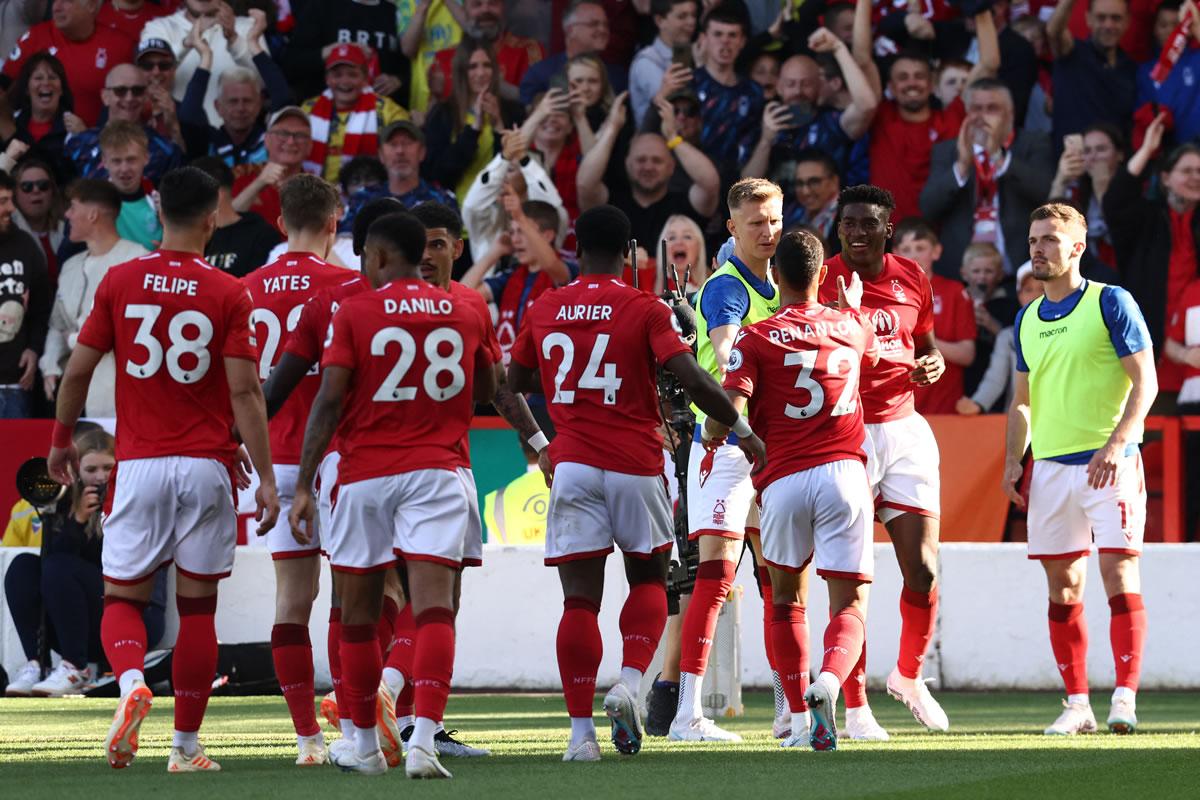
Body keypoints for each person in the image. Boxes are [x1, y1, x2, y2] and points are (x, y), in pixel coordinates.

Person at [507, 203, 766, 761]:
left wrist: (538, 444)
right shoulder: (644, 308)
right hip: (636, 464)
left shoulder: (547, 305)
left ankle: (580, 737)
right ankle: (627, 683)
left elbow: (510, 385)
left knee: (579, 602)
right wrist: (741, 428)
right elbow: (693, 375)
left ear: (576, 249)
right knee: (649, 580)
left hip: (571, 463)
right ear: (630, 254)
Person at [47, 166, 279, 772]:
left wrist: (59, 440)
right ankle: (186, 747)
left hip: (143, 462)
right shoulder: (230, 292)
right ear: (212, 218)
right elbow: (247, 393)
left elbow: (76, 370)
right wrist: (269, 474)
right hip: (206, 467)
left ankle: (129, 685)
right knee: (199, 610)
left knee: (122, 596)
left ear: (157, 215)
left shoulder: (122, 281)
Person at [288, 211, 498, 778]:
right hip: (438, 471)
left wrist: (304, 483)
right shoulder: (469, 306)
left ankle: (362, 747)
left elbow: (328, 401)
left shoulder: (355, 310)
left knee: (356, 618)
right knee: (434, 611)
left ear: (378, 257)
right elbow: (487, 388)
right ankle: (423, 739)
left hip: (365, 475)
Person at [704, 228, 878, 751]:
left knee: (785, 602)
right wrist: (853, 309)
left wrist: (726, 434)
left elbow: (727, 416)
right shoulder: (850, 326)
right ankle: (830, 682)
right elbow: (867, 355)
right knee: (849, 604)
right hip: (845, 475)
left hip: (783, 479)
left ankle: (798, 722)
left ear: (774, 275)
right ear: (823, 275)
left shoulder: (755, 339)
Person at [1003, 202, 1155, 735]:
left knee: (1118, 574)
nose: (1038, 249)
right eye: (1032, 241)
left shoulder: (1111, 302)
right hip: (1048, 469)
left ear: (1077, 247)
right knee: (1062, 587)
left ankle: (1124, 698)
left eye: (1048, 239)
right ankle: (1077, 705)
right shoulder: (1025, 317)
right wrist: (1012, 463)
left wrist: (1117, 444)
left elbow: (1147, 382)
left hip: (1109, 464)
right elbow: (1021, 400)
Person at [818, 184, 948, 740]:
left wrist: (932, 364)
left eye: (869, 222)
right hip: (844, 432)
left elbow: (926, 344)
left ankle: (909, 676)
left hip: (904, 429)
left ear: (887, 226)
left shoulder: (913, 277)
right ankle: (855, 706)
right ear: (839, 227)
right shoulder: (818, 279)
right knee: (853, 575)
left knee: (923, 567)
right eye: (849, 223)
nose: (858, 232)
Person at [241, 174, 356, 768]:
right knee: (354, 596)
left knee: (291, 600)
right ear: (336, 222)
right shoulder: (352, 288)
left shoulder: (245, 289)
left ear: (281, 224)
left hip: (272, 462)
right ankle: (355, 721)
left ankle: (307, 737)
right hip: (337, 458)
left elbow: (236, 382)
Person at [669, 178, 783, 744]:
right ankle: (687, 711)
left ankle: (789, 708)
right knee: (716, 573)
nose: (768, 232)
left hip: (772, 443)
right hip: (724, 445)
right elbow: (731, 351)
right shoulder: (727, 288)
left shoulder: (781, 280)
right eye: (756, 223)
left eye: (774, 221)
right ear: (732, 228)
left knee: (777, 576)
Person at [2, 429, 161, 697]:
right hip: (75, 623)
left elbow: (129, 561)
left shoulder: (136, 498)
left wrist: (105, 515)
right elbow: (48, 565)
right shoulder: (63, 502)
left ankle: (77, 668)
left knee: (60, 567)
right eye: (91, 469)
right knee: (23, 567)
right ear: (77, 472)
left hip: (134, 616)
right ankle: (36, 665)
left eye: (108, 467)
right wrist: (76, 522)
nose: (100, 476)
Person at [1103, 116, 1200, 403]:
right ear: (1166, 178)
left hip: (1192, 349)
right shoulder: (1148, 218)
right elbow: (1116, 202)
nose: (1196, 177)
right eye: (1187, 170)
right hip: (1150, 342)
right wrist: (1146, 149)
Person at [919, 78, 1054, 276]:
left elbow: (1045, 193)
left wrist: (998, 157)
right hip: (960, 272)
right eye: (976, 109)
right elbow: (928, 208)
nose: (982, 116)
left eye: (992, 109)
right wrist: (962, 167)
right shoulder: (948, 151)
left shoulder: (1033, 144)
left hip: (1019, 272)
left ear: (1010, 114)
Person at [39, 179, 148, 415]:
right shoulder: (70, 265)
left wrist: (73, 340)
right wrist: (50, 365)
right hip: (73, 398)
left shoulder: (137, 261)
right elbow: (58, 324)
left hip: (119, 396)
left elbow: (129, 330)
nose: (67, 214)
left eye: (73, 207)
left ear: (93, 215)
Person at [741, 33, 877, 194]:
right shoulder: (759, 123)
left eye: (806, 84)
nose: (798, 91)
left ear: (819, 87)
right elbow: (744, 189)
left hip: (827, 216)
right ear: (779, 86)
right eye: (791, 84)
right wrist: (765, 141)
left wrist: (838, 48)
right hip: (775, 216)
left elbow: (867, 105)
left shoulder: (832, 122)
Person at [576, 101, 719, 248]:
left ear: (671, 167)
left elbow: (710, 183)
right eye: (641, 160)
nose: (648, 167)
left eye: (657, 161)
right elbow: (585, 184)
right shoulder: (610, 206)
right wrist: (612, 129)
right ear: (627, 164)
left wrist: (672, 138)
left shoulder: (686, 206)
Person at [461, 199, 575, 366]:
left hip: (545, 377)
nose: (515, 239)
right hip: (509, 375)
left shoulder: (567, 269)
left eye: (522, 231)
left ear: (548, 236)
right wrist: (494, 252)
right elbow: (462, 296)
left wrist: (519, 215)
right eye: (512, 232)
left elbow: (552, 266)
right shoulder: (510, 276)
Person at [175, 15, 291, 165]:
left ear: (260, 104)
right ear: (218, 107)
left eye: (247, 101)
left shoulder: (272, 140)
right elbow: (188, 116)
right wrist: (205, 58)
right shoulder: (206, 142)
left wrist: (254, 43)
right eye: (233, 101)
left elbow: (283, 98)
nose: (241, 108)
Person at [1, 0, 136, 127]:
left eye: (67, 0)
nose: (56, 7)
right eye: (55, 0)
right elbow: (3, 86)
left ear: (91, 5)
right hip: (39, 143)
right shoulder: (35, 37)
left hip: (98, 143)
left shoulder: (120, 46)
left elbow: (137, 101)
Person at [423, 37, 526, 203]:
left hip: (499, 210)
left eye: (487, 65)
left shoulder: (513, 112)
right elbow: (439, 174)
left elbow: (515, 166)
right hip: (455, 212)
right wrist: (474, 129)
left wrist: (498, 125)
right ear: (461, 71)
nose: (481, 73)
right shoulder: (442, 114)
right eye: (472, 67)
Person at [894, 218, 977, 415]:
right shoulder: (886, 294)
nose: (913, 255)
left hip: (944, 408)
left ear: (936, 251)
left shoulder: (955, 291)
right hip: (899, 410)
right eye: (906, 249)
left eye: (920, 247)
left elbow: (967, 355)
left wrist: (925, 342)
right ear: (895, 255)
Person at [140, 0, 261, 127]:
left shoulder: (247, 26)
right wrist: (185, 44)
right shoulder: (158, 28)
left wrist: (234, 39)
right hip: (178, 137)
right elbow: (149, 80)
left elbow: (263, 84)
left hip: (235, 137)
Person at [300, 44, 410, 184]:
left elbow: (405, 151)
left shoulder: (387, 110)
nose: (344, 82)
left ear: (365, 77)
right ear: (327, 78)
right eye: (337, 75)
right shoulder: (308, 110)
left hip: (367, 196)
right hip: (315, 196)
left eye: (352, 74)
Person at [64, 63, 184, 185]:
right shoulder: (79, 144)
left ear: (145, 96)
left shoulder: (165, 150)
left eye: (137, 91)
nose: (129, 98)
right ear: (105, 96)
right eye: (120, 91)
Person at [958, 261, 1042, 414]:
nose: (1035, 296)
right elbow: (995, 380)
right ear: (1019, 296)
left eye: (1042, 289)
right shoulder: (1008, 337)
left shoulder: (1070, 330)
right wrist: (977, 403)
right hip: (1022, 423)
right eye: (1028, 290)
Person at [428, 0, 546, 108]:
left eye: (493, 3)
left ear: (504, 7)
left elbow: (539, 108)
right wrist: (437, 98)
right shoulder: (443, 58)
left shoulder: (528, 50)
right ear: (465, 10)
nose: (485, 10)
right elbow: (432, 121)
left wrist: (497, 85)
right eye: (477, 4)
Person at [0, 170, 50, 418]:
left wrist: (34, 348)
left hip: (14, 383)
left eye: (10, 199)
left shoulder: (25, 245)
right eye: (2, 201)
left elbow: (43, 309)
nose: (10, 208)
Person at [519, 0, 626, 106]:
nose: (603, 30)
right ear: (570, 30)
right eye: (593, 24)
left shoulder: (618, 77)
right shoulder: (540, 75)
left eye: (606, 25)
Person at [192, 156, 281, 278]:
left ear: (215, 195)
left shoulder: (261, 235)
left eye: (193, 193)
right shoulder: (189, 235)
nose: (187, 200)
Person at [232, 107, 315, 237]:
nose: (291, 141)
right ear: (266, 140)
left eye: (300, 136)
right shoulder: (240, 175)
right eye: (283, 133)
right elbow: (222, 224)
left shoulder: (317, 189)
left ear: (310, 146)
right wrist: (259, 183)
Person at [0, 54, 77, 185]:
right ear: (27, 89)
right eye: (38, 78)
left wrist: (83, 139)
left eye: (53, 77)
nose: (46, 83)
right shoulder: (12, 127)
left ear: (62, 89)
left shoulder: (74, 130)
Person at [629, 0, 699, 126]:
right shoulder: (647, 62)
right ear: (660, 21)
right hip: (656, 141)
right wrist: (702, 68)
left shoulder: (696, 52)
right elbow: (678, 109)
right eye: (682, 16)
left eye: (693, 15)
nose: (691, 22)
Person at [99, 121, 162, 250]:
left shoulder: (162, 198)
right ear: (104, 161)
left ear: (146, 158)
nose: (124, 169)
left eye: (131, 160)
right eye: (116, 161)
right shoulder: (95, 202)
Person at [10, 159, 67, 288]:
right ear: (14, 194)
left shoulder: (68, 230)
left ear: (52, 191)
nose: (36, 190)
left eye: (43, 185)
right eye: (27, 187)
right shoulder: (9, 233)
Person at [378, 121, 458, 210]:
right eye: (393, 144)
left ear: (422, 152)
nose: (400, 151)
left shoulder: (442, 200)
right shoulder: (364, 198)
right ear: (381, 155)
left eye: (407, 143)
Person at [785, 149, 842, 253]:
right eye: (799, 183)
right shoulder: (790, 216)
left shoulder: (850, 217)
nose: (805, 191)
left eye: (814, 182)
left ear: (834, 181)